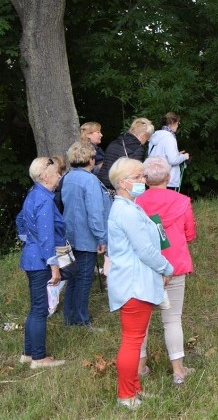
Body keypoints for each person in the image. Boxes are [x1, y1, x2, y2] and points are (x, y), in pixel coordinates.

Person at [107, 157, 175, 410]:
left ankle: (134, 388)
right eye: (138, 177)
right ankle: (126, 395)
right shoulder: (125, 211)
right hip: (133, 285)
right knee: (132, 341)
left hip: (135, 282)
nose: (143, 181)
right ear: (123, 183)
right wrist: (167, 267)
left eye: (142, 176)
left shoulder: (129, 206)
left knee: (135, 339)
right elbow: (145, 249)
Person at [135, 156, 197, 385]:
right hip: (174, 266)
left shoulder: (136, 202)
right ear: (169, 177)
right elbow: (190, 234)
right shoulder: (182, 201)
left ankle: (140, 367)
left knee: (142, 320)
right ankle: (178, 371)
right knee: (172, 320)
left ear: (145, 178)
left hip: (144, 266)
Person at [14, 157, 66, 369]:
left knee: (36, 307)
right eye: (56, 173)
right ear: (45, 176)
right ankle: (39, 358)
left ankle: (28, 354)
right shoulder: (44, 199)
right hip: (40, 261)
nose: (59, 176)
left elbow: (21, 221)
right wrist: (54, 266)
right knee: (40, 310)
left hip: (33, 257)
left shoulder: (34, 193)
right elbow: (46, 236)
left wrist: (28, 240)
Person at [60, 141, 111, 328]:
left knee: (73, 278)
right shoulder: (89, 180)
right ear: (90, 160)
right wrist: (101, 238)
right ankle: (81, 320)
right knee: (84, 279)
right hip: (86, 236)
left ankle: (69, 318)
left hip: (70, 235)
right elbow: (95, 213)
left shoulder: (67, 177)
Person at [98, 117, 155, 188]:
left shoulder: (115, 142)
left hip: (102, 183)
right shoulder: (137, 149)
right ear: (143, 136)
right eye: (147, 138)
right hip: (118, 185)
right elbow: (136, 173)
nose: (146, 141)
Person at [148, 112, 190, 191]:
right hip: (167, 180)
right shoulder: (170, 137)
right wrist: (184, 156)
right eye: (178, 123)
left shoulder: (155, 135)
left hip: (154, 178)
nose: (178, 125)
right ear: (172, 123)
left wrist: (177, 154)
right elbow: (173, 160)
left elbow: (159, 154)